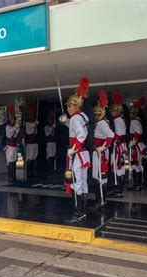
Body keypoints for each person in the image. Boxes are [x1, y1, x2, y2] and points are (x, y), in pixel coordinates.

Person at [59, 77, 90, 223]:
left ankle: (78, 213)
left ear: (75, 106)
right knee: (83, 182)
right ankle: (83, 211)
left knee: (76, 182)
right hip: (84, 154)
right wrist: (66, 122)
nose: (67, 108)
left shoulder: (77, 118)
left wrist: (73, 150)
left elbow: (81, 135)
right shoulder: (82, 116)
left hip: (77, 153)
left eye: (69, 106)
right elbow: (76, 128)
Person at [91, 91, 114, 210]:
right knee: (100, 176)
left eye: (97, 114)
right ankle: (101, 199)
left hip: (100, 152)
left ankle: (100, 200)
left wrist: (103, 147)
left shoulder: (101, 124)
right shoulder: (101, 123)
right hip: (98, 152)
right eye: (94, 114)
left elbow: (111, 135)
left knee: (99, 176)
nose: (95, 116)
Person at [109, 92, 127, 198]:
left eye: (112, 111)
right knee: (118, 167)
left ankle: (118, 190)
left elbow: (118, 134)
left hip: (117, 146)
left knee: (117, 167)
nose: (111, 113)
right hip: (119, 145)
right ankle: (118, 188)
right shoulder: (120, 120)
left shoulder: (117, 120)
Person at [128, 97, 147, 191]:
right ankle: (137, 184)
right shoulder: (137, 120)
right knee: (137, 164)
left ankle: (137, 184)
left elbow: (137, 133)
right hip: (137, 145)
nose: (130, 114)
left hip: (136, 145)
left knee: (136, 164)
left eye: (131, 113)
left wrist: (132, 142)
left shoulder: (134, 121)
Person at [5, 104, 20, 182]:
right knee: (10, 161)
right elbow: (10, 132)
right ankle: (10, 176)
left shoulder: (14, 126)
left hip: (14, 146)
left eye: (14, 119)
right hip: (10, 146)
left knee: (14, 161)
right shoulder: (8, 127)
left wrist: (17, 128)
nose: (13, 120)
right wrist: (15, 127)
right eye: (11, 119)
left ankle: (14, 176)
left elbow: (16, 133)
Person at [25, 103, 39, 177]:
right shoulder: (28, 124)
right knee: (29, 157)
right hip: (30, 143)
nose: (32, 117)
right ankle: (29, 172)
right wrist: (35, 123)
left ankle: (32, 172)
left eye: (33, 116)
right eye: (31, 116)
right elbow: (32, 126)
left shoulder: (33, 123)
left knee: (34, 157)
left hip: (35, 143)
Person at [44, 110, 57, 175]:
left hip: (53, 143)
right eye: (49, 120)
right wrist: (52, 128)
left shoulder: (53, 126)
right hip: (49, 143)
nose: (50, 121)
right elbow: (47, 135)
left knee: (53, 155)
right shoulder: (46, 127)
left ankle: (53, 168)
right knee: (49, 155)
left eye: (51, 120)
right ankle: (48, 169)